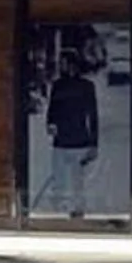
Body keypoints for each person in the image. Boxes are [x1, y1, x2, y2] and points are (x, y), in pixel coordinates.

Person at [44, 51, 100, 219]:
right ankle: (59, 210)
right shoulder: (58, 85)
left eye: (64, 62)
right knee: (59, 179)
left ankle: (77, 210)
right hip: (60, 140)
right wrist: (50, 125)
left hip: (79, 139)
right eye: (60, 63)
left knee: (77, 180)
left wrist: (94, 143)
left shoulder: (86, 86)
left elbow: (93, 115)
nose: (61, 66)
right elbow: (52, 110)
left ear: (73, 64)